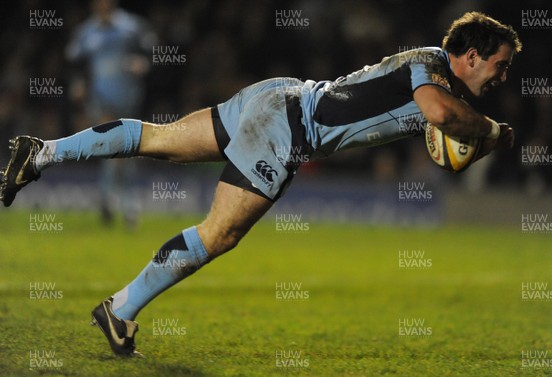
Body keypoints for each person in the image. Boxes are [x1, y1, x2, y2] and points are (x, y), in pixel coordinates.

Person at [0, 12, 521, 357]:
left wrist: (474, 128)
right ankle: (119, 309)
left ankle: (42, 153)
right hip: (287, 126)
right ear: (471, 56)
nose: (502, 77)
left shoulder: (431, 73)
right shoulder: (430, 67)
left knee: (157, 139)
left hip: (277, 97)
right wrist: (494, 132)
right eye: (500, 65)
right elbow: (439, 113)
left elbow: (445, 122)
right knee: (220, 233)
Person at [66, 0, 156, 228]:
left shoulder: (131, 26)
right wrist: (78, 84)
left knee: (123, 151)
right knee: (114, 147)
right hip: (101, 99)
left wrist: (142, 63)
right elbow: (74, 61)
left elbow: (150, 50)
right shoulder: (86, 31)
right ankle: (123, 205)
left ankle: (113, 201)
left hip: (129, 97)